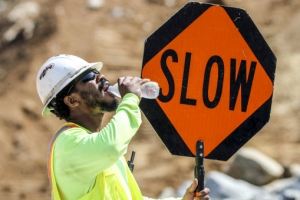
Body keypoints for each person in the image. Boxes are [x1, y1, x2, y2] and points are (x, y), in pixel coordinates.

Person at [36, 54, 210, 200]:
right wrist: (131, 99)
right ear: (72, 100)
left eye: (96, 71)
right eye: (89, 77)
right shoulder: (67, 144)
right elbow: (111, 146)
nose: (100, 76)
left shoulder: (98, 148)